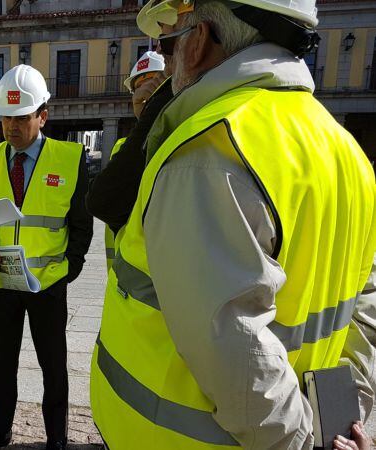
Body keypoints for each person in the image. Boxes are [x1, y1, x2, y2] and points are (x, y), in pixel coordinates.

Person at [90, 0, 376, 448]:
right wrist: (341, 417)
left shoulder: (211, 150)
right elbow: (364, 305)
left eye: (167, 47)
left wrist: (300, 442)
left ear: (199, 40)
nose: (167, 66)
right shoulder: (347, 150)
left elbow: (235, 348)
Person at [0, 64, 93, 450]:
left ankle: (56, 437)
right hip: (0, 282)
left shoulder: (70, 158)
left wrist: (71, 267)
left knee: (53, 365)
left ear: (43, 114)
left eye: (22, 117)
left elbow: (81, 221)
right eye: (6, 117)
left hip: (49, 283)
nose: (12, 126)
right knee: (2, 361)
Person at [92, 51, 167, 272]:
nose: (143, 93)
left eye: (153, 83)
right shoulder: (122, 148)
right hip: (121, 278)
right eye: (138, 87)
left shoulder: (182, 141)